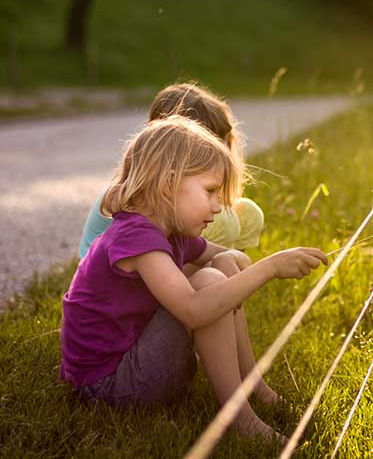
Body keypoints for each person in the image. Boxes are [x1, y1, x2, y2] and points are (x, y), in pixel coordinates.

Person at [60, 116, 327, 443]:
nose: (217, 207)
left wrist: (229, 259)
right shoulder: (136, 237)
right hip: (109, 386)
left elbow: (234, 258)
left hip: (130, 362)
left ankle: (251, 385)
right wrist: (269, 268)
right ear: (168, 184)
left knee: (217, 274)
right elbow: (193, 310)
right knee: (209, 284)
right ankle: (241, 419)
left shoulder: (169, 230)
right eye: (211, 191)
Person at [79, 81, 264, 260]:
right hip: (124, 275)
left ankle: (226, 282)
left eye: (223, 141)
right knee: (224, 221)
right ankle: (207, 286)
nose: (222, 152)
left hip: (162, 264)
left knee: (246, 212)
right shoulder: (138, 196)